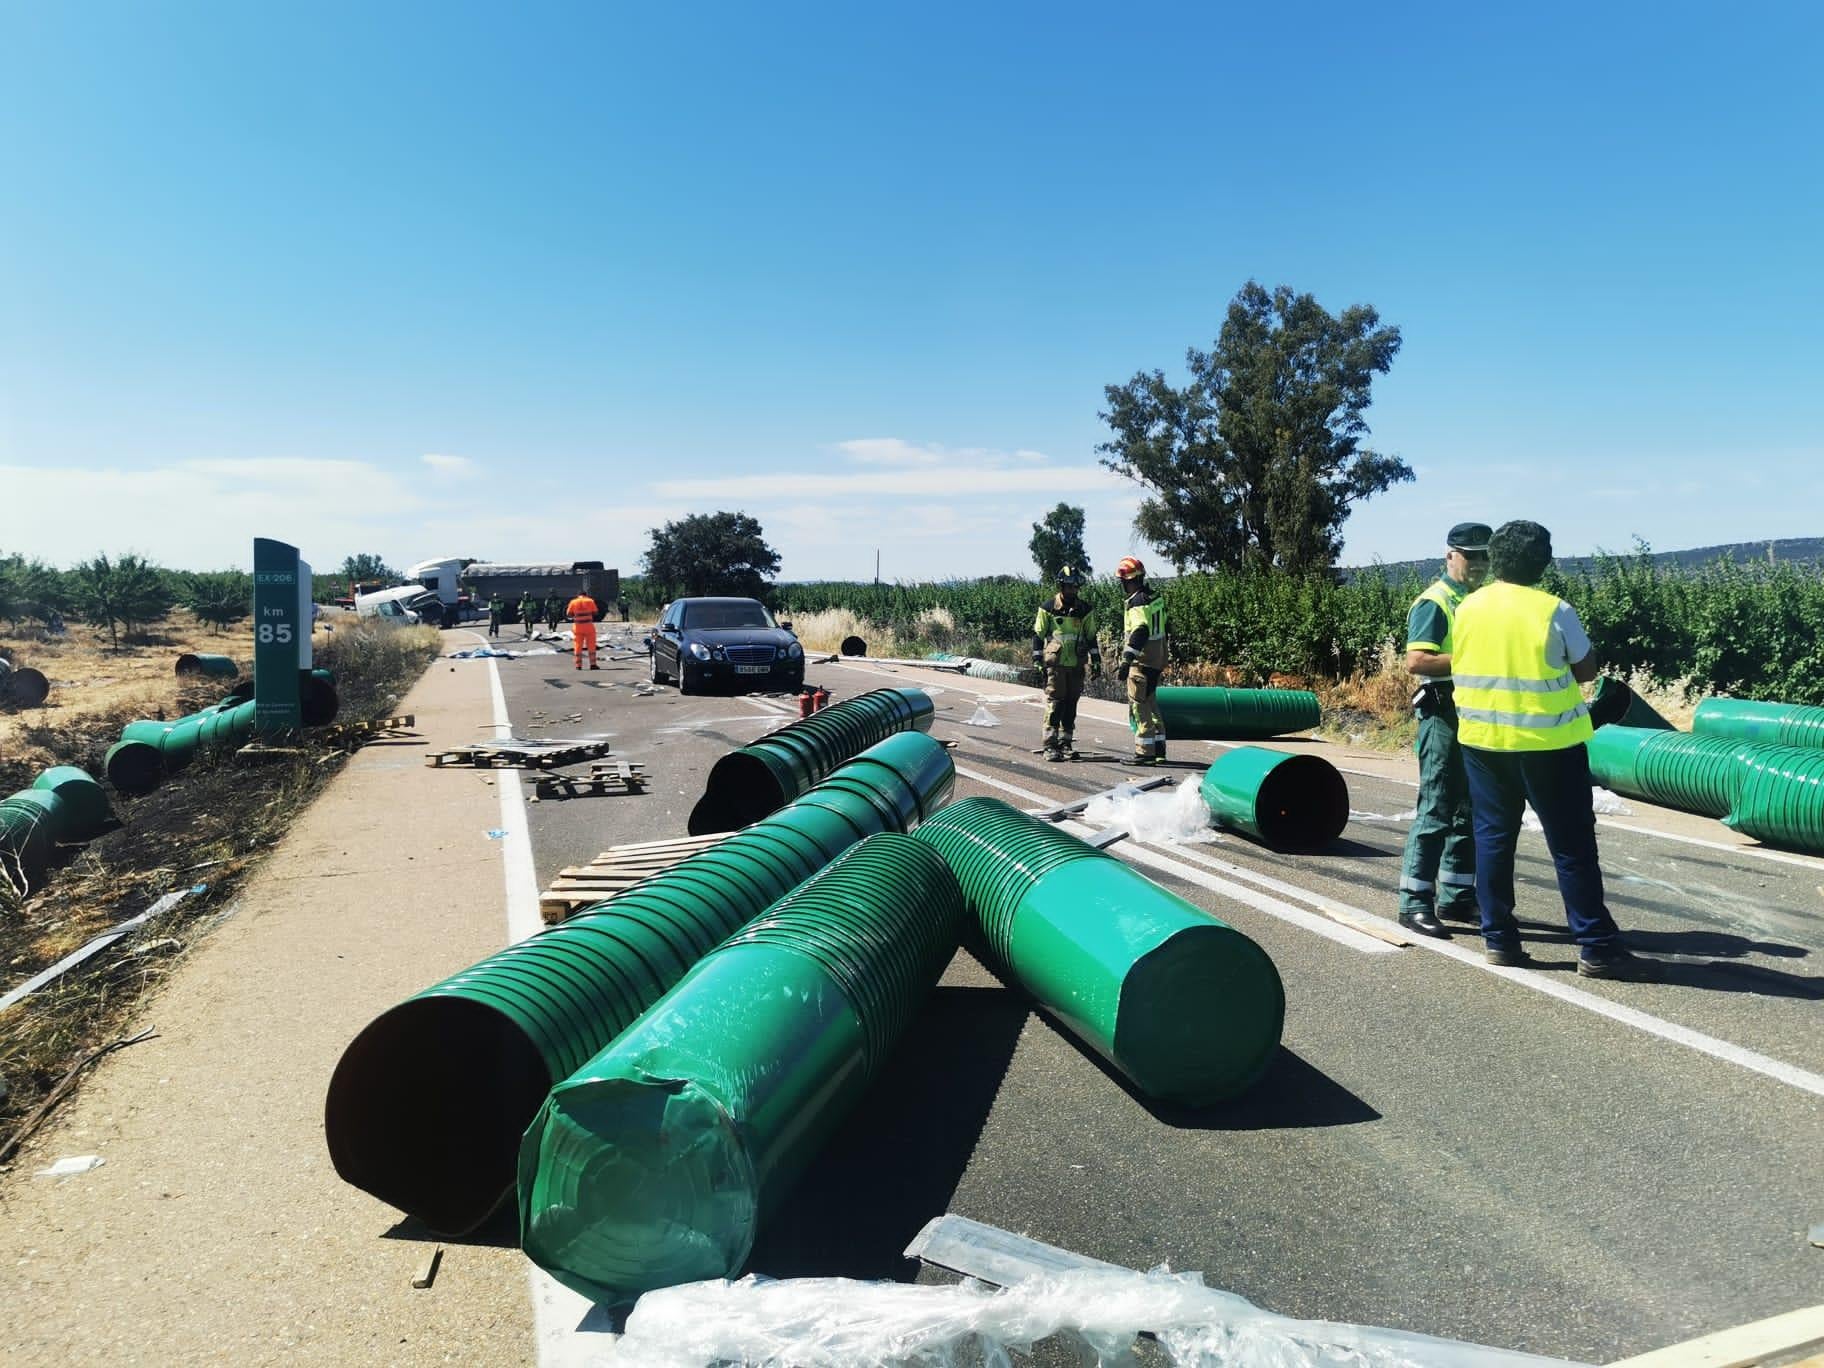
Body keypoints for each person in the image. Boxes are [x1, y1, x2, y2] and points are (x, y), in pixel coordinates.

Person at [1452, 520, 1655, 979]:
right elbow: (1586, 671)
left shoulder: (1468, 608)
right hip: (1549, 745)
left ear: (1495, 559)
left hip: (1482, 741)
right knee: (1571, 846)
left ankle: (1498, 938)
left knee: (1493, 839)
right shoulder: (1554, 610)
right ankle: (1595, 945)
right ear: (1542, 563)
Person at [1395, 521, 1491, 939]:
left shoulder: (1478, 599)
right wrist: (1473, 658)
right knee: (1437, 807)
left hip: (1474, 715)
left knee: (1467, 809)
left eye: (1486, 555)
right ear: (1451, 555)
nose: (1479, 564)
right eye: (1472, 556)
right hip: (1442, 714)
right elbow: (1416, 662)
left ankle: (1457, 896)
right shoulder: (1435, 602)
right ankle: (1414, 902)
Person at [1031, 566, 1102, 761]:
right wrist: (1037, 660)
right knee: (1055, 704)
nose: (1072, 591)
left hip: (1076, 665)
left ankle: (1066, 743)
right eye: (1069, 587)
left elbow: (1091, 638)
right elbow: (1038, 636)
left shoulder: (1085, 610)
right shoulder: (1048, 608)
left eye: (1075, 587)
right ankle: (1050, 745)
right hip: (1056, 665)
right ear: (1061, 586)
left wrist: (1096, 661)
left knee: (1071, 705)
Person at [1115, 556, 1166, 766]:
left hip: (1142, 661)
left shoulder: (1137, 602)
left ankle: (1145, 752)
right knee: (1152, 703)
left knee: (1139, 705)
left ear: (1128, 581)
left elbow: (1140, 630)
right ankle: (1159, 750)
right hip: (1158, 657)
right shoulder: (1155, 597)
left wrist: (1127, 659)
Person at [567, 588, 600, 670]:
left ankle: (578, 665)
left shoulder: (573, 602)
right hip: (589, 627)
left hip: (578, 627)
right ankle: (593, 664)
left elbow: (568, 614)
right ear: (586, 595)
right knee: (591, 645)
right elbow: (595, 612)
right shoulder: (590, 601)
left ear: (578, 595)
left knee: (578, 646)